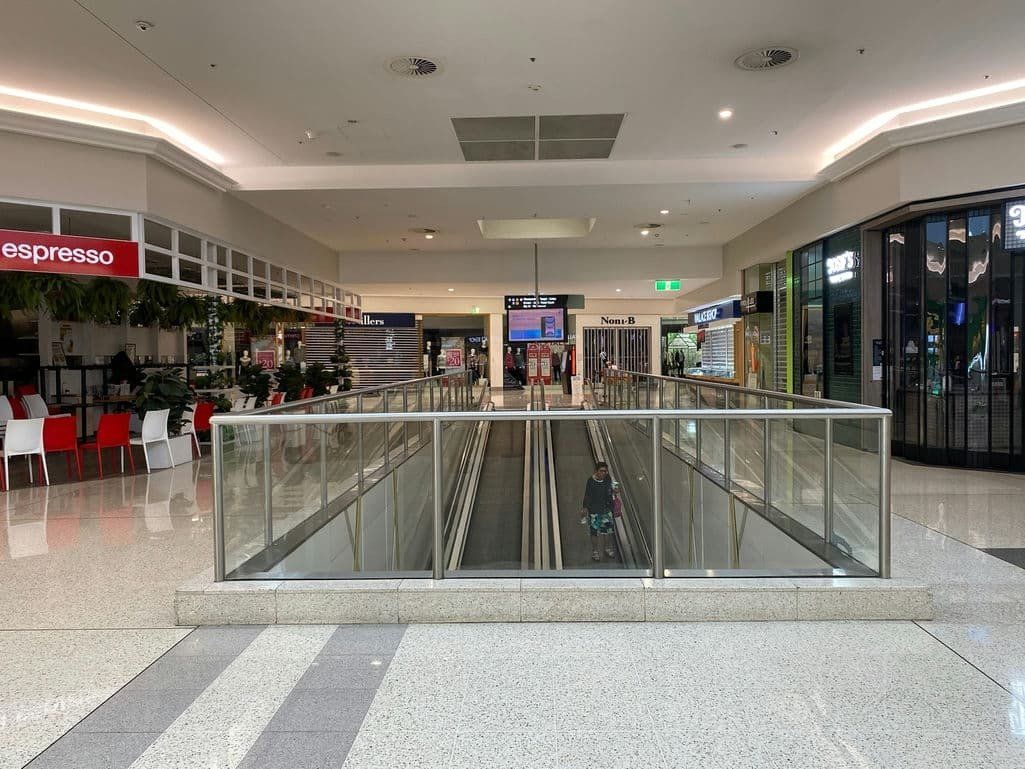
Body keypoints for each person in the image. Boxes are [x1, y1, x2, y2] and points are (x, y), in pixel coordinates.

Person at [579, 461, 617, 561]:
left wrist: (614, 491)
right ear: (596, 471)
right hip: (594, 511)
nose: (603, 473)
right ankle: (595, 551)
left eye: (605, 471)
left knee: (607, 531)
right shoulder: (591, 481)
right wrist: (584, 507)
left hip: (606, 509)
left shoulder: (608, 479)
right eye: (601, 471)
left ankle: (607, 548)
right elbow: (587, 495)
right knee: (594, 531)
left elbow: (611, 489)